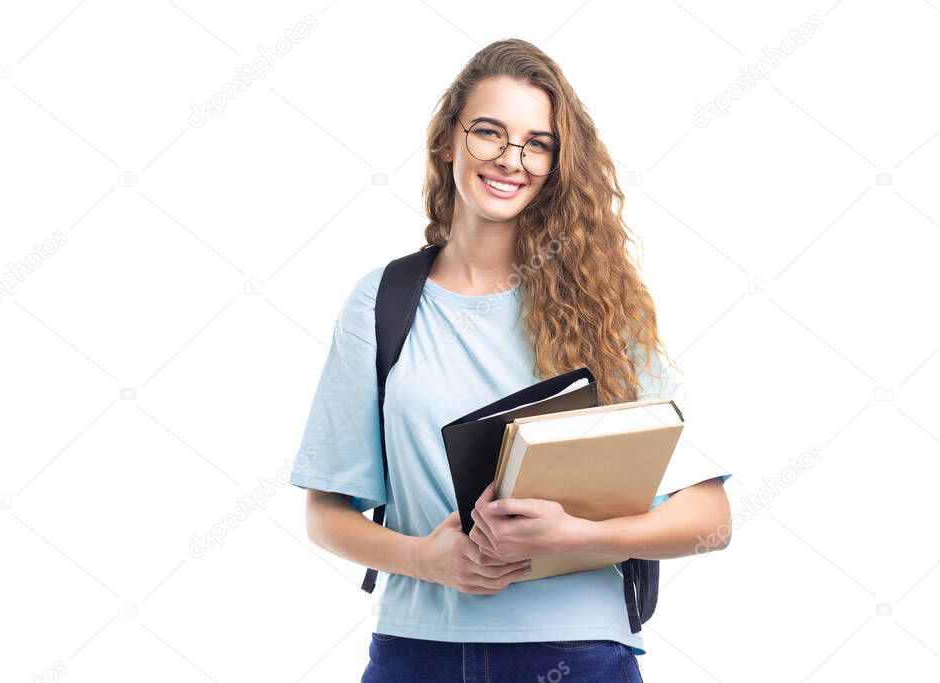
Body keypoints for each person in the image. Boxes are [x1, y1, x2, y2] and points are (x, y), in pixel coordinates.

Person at [290, 38, 733, 683]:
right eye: (488, 133)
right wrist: (427, 560)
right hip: (419, 653)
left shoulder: (604, 309)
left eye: (537, 143)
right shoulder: (382, 302)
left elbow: (710, 520)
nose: (511, 160)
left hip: (578, 655)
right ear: (447, 140)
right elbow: (325, 515)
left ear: (556, 164)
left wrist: (577, 538)